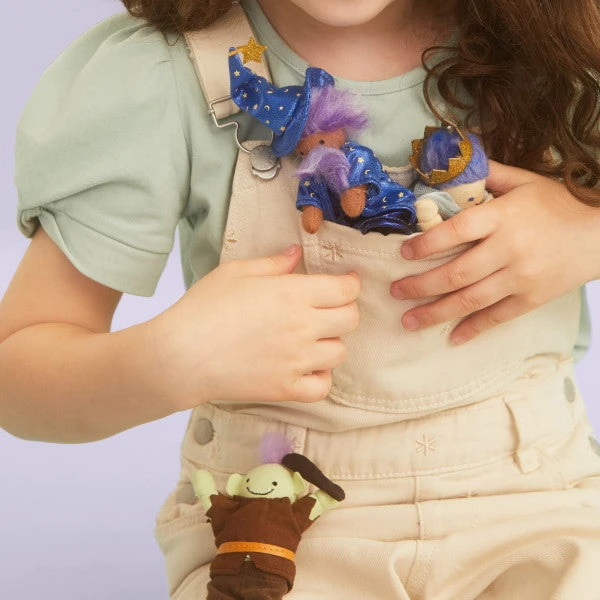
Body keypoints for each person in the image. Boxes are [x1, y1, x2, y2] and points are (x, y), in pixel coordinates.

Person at [1, 1, 600, 598]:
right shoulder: (159, 74)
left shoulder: (566, 38)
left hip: (543, 501)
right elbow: (16, 377)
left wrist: (585, 232)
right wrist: (167, 359)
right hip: (276, 521)